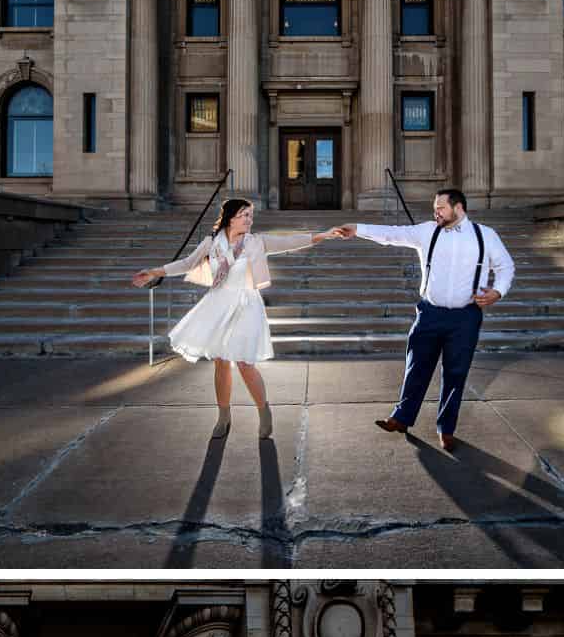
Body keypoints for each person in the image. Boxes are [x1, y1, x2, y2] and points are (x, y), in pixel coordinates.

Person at [324, 187, 516, 454]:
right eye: (435, 208)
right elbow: (392, 234)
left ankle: (446, 429)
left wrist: (498, 291)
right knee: (416, 367)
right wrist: (357, 228)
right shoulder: (428, 231)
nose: (435, 212)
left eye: (441, 208)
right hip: (430, 313)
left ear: (458, 208)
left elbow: (505, 266)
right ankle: (401, 418)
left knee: (456, 373)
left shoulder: (485, 235)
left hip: (466, 316)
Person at [131, 196, 340, 441]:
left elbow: (289, 241)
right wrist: (154, 272)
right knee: (220, 361)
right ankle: (223, 416)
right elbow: (188, 263)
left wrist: (323, 235)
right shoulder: (212, 243)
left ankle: (264, 412)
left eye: (251, 215)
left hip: (247, 304)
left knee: (244, 362)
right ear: (231, 217)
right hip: (218, 303)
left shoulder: (256, 242)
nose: (250, 220)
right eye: (245, 215)